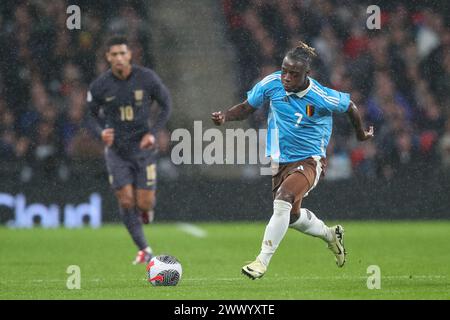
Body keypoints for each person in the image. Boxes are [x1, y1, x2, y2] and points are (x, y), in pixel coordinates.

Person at [211, 41, 374, 279]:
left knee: (283, 198)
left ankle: (261, 262)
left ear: (307, 74)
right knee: (291, 216)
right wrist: (225, 116)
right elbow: (247, 107)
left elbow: (350, 106)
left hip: (310, 160)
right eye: (284, 70)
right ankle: (330, 235)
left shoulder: (319, 95)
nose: (286, 77)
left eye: (293, 74)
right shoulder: (271, 83)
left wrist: (360, 134)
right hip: (281, 161)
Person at [87, 36, 171, 264]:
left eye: (122, 53)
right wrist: (100, 133)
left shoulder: (147, 78)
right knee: (125, 200)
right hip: (117, 151)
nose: (119, 58)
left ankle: (145, 211)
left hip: (144, 148)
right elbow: (90, 115)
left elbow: (166, 104)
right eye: (114, 55)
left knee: (144, 203)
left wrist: (153, 132)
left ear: (130, 55)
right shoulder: (100, 86)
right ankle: (144, 249)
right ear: (108, 57)